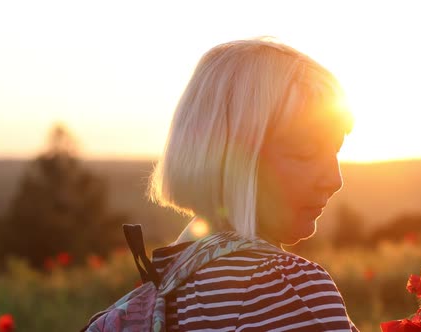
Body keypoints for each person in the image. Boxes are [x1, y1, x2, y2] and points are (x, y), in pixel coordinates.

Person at [146, 37, 358, 331]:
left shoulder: (158, 292)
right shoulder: (288, 288)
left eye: (335, 151)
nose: (334, 180)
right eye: (307, 150)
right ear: (233, 159)